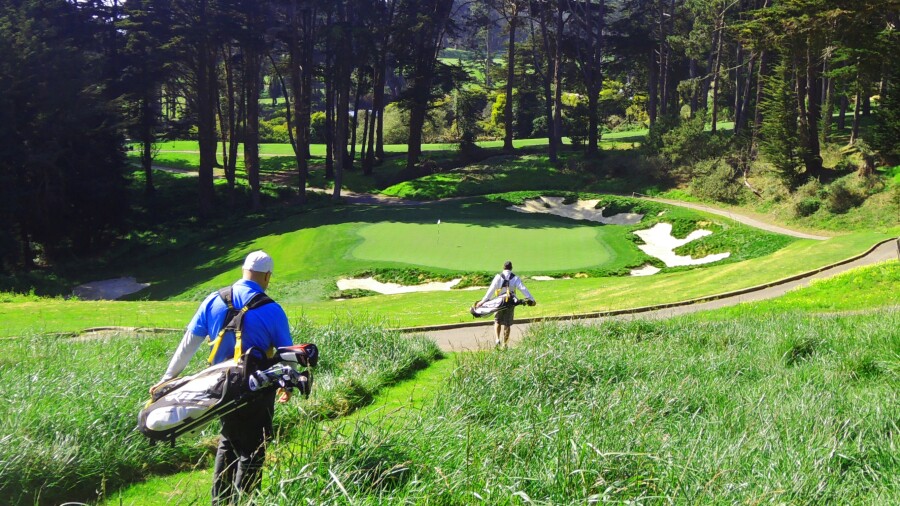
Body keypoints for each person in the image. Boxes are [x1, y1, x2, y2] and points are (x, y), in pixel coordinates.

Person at [151, 250, 293, 505]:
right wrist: (288, 385)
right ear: (267, 276)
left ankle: (221, 502)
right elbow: (286, 354)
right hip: (257, 390)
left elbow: (188, 344)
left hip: (222, 388)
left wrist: (167, 378)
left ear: (243, 271)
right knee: (253, 450)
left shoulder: (213, 300)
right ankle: (244, 502)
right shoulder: (272, 309)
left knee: (228, 439)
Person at [475, 260, 535, 349]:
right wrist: (531, 299)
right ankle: (505, 344)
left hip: (499, 302)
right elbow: (523, 289)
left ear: (503, 267)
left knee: (497, 321)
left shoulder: (498, 277)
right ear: (511, 268)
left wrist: (483, 301)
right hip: (510, 302)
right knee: (507, 324)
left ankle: (497, 339)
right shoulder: (515, 278)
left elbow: (491, 290)